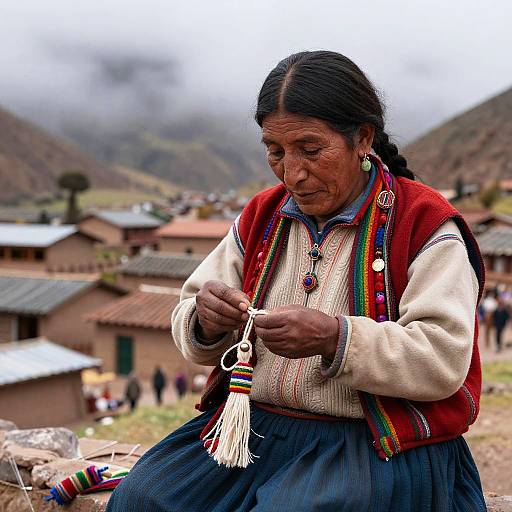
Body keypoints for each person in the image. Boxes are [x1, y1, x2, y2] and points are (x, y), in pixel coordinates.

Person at [107, 51, 485, 511]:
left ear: (362, 138)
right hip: (251, 430)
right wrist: (207, 319)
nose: (293, 173)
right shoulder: (262, 216)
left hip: (369, 443)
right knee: (141, 498)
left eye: (311, 150)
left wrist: (336, 338)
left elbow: (442, 359)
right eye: (275, 151)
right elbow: (192, 317)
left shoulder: (422, 223)